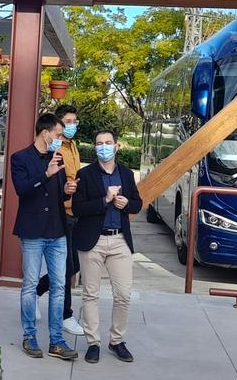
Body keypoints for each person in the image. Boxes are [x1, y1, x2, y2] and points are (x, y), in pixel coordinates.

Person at [11, 113, 77, 361]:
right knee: (29, 285)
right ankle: (29, 336)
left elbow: (57, 196)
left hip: (57, 230)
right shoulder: (20, 158)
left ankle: (57, 340)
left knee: (59, 286)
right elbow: (22, 190)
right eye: (58, 135)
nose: (60, 139)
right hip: (33, 231)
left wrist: (67, 191)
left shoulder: (57, 158)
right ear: (45, 132)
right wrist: (46, 175)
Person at [73, 130, 142, 364]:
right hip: (93, 240)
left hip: (120, 239)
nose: (104, 146)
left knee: (123, 294)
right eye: (99, 143)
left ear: (116, 146)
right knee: (90, 294)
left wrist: (126, 204)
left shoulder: (126, 174)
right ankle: (93, 343)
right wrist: (105, 200)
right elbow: (78, 208)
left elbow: (138, 203)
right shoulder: (85, 174)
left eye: (108, 143)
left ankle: (117, 340)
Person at [36, 104, 84, 336]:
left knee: (70, 266)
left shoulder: (73, 145)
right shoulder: (54, 148)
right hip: (61, 212)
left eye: (75, 121)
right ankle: (65, 314)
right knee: (67, 267)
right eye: (68, 121)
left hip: (75, 212)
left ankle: (36, 291)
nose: (72, 125)